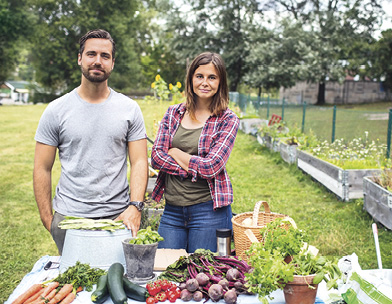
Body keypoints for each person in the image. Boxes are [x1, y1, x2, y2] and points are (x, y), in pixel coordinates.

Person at [33, 29, 148, 255]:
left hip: (118, 218)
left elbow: (140, 161)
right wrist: (48, 218)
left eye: (105, 56)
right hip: (70, 217)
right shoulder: (56, 110)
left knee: (118, 284)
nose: (97, 61)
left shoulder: (129, 109)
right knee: (75, 286)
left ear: (112, 63)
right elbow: (41, 167)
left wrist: (135, 207)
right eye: (91, 54)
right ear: (80, 58)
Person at [150, 52, 239, 253]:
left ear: (220, 82)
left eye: (212, 77)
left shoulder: (227, 119)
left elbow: (211, 167)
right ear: (191, 79)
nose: (205, 83)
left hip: (209, 211)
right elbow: (156, 157)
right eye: (199, 76)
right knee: (167, 272)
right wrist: (188, 169)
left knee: (203, 276)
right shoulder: (174, 113)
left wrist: (175, 152)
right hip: (172, 212)